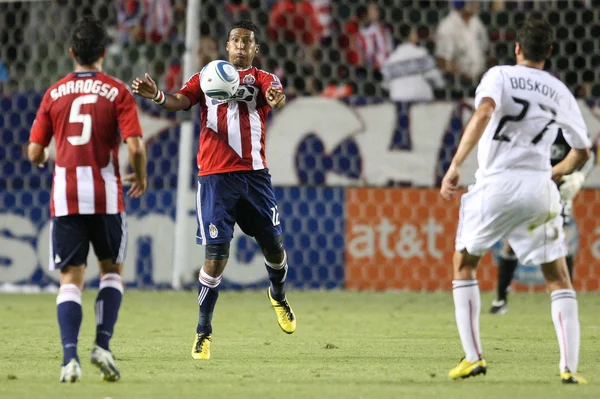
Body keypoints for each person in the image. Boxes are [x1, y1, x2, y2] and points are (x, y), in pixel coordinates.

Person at [131, 20, 296, 360]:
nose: (240, 46)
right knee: (216, 257)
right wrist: (159, 96)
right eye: (234, 40)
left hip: (254, 176)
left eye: (246, 42)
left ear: (255, 49)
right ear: (227, 46)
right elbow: (181, 100)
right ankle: (203, 332)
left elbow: (275, 98)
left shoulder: (264, 79)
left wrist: (277, 100)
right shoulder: (208, 76)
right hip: (215, 178)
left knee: (274, 247)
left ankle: (278, 296)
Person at [440, 17, 590, 384]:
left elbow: (484, 112)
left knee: (464, 264)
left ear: (517, 48)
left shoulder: (500, 76)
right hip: (539, 188)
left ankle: (474, 358)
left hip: (495, 186)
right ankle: (569, 369)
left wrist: (456, 164)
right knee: (558, 276)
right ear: (550, 52)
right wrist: (555, 174)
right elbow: (583, 151)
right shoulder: (559, 91)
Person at [27, 16, 147, 383]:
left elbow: (34, 151)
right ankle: (102, 346)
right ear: (104, 53)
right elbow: (136, 145)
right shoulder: (118, 91)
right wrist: (140, 175)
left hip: (66, 197)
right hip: (106, 195)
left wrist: (50, 158)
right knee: (111, 273)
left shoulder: (54, 93)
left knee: (70, 279)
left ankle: (69, 360)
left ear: (72, 52)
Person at [490, 135, 596, 315]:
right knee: (511, 244)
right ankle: (500, 300)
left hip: (559, 191)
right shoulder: (532, 126)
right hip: (530, 190)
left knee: (562, 242)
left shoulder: (567, 127)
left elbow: (590, 154)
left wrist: (578, 177)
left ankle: (566, 301)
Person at [381, 24, 445, 102]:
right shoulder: (421, 54)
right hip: (421, 102)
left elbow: (386, 86)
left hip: (398, 102)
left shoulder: (390, 60)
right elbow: (437, 80)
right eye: (414, 33)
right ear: (412, 36)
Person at [435, 0, 488, 81]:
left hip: (480, 79)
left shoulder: (476, 22)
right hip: (459, 82)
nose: (477, 4)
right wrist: (461, 76)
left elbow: (485, 48)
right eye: (473, 2)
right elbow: (441, 60)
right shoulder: (447, 26)